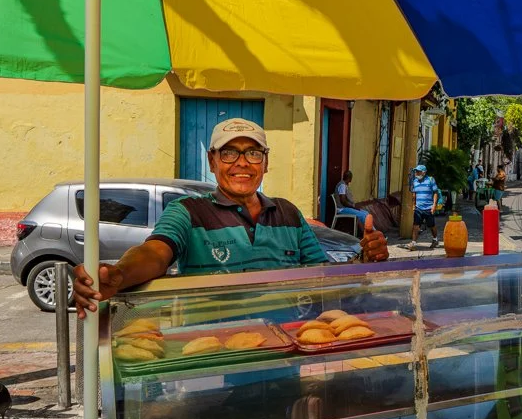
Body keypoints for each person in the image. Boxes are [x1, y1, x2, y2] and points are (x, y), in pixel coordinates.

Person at [79, 119, 387, 305]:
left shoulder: (288, 214)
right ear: (213, 162)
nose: (242, 162)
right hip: (211, 356)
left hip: (284, 355)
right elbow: (155, 253)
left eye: (253, 153)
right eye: (229, 152)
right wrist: (119, 274)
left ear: (265, 163)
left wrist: (363, 260)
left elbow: (321, 277)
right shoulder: (188, 212)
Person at [408, 161, 442, 246]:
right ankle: (413, 243)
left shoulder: (430, 180)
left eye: (418, 171)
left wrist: (434, 205)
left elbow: (435, 193)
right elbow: (414, 193)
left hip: (428, 207)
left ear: (423, 172)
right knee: (416, 225)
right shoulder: (415, 181)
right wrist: (414, 205)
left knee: (431, 225)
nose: (416, 173)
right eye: (416, 171)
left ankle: (435, 239)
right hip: (418, 207)